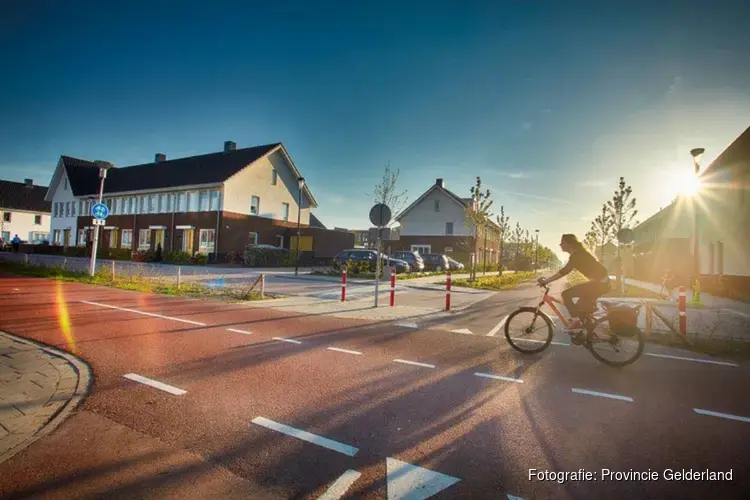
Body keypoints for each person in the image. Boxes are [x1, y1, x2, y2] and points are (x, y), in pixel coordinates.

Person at [538, 233, 611, 331]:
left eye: (562, 242)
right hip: (601, 283)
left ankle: (577, 322)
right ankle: (587, 330)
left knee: (566, 294)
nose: (560, 245)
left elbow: (563, 272)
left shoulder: (577, 255)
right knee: (579, 308)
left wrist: (546, 281)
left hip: (600, 284)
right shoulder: (578, 254)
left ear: (570, 244)